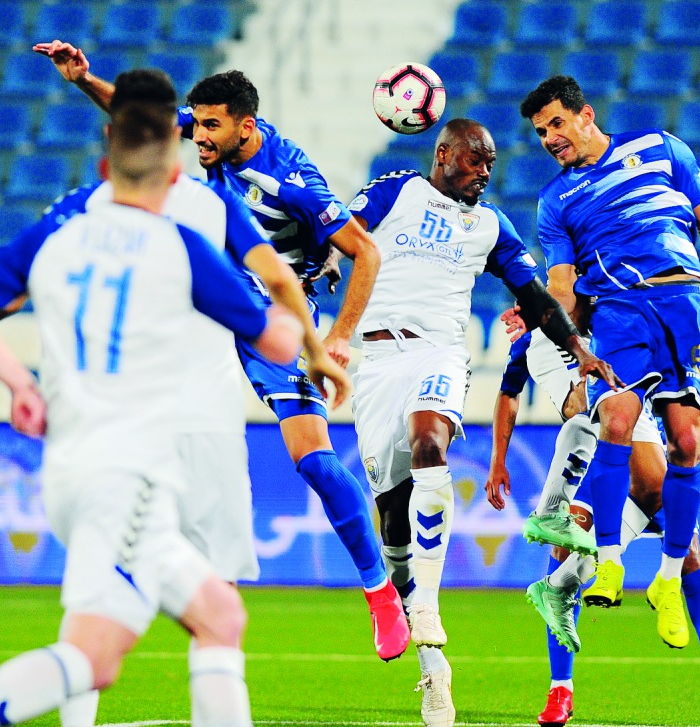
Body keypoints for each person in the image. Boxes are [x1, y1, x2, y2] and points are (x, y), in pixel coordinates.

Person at [38, 69, 406, 727]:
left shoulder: (292, 182)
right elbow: (143, 120)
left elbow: (365, 251)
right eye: (193, 123)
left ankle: (380, 590)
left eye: (208, 125)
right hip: (212, 309)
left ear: (246, 125)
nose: (194, 135)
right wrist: (83, 77)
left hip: (277, 320)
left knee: (317, 462)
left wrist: (341, 337)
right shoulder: (205, 143)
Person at [0, 85, 309, 727]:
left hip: (73, 464)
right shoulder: (181, 246)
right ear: (173, 172)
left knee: (219, 615)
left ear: (106, 168)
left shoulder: (57, 233)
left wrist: (18, 383)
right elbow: (276, 341)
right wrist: (296, 295)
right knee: (92, 655)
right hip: (129, 471)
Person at [345, 117, 617, 727]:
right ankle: (432, 669)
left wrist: (577, 348)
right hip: (378, 362)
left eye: (491, 165)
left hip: (441, 352)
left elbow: (539, 298)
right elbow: (339, 235)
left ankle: (431, 607)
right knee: (391, 519)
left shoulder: (491, 226)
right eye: (476, 162)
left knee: (430, 440)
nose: (485, 173)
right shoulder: (395, 191)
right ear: (444, 155)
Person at [518, 75, 700, 647]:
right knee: (617, 421)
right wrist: (545, 319)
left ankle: (666, 578)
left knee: (686, 441)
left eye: (557, 123)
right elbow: (561, 286)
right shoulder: (556, 201)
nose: (550, 138)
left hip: (682, 302)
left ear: (585, 115)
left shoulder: (660, 147)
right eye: (540, 132)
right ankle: (609, 561)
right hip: (619, 314)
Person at [486, 325, 700, 727]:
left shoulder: (606, 312)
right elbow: (508, 391)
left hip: (637, 443)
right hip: (595, 454)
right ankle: (560, 690)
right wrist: (498, 458)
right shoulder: (531, 338)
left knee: (688, 553)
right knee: (564, 547)